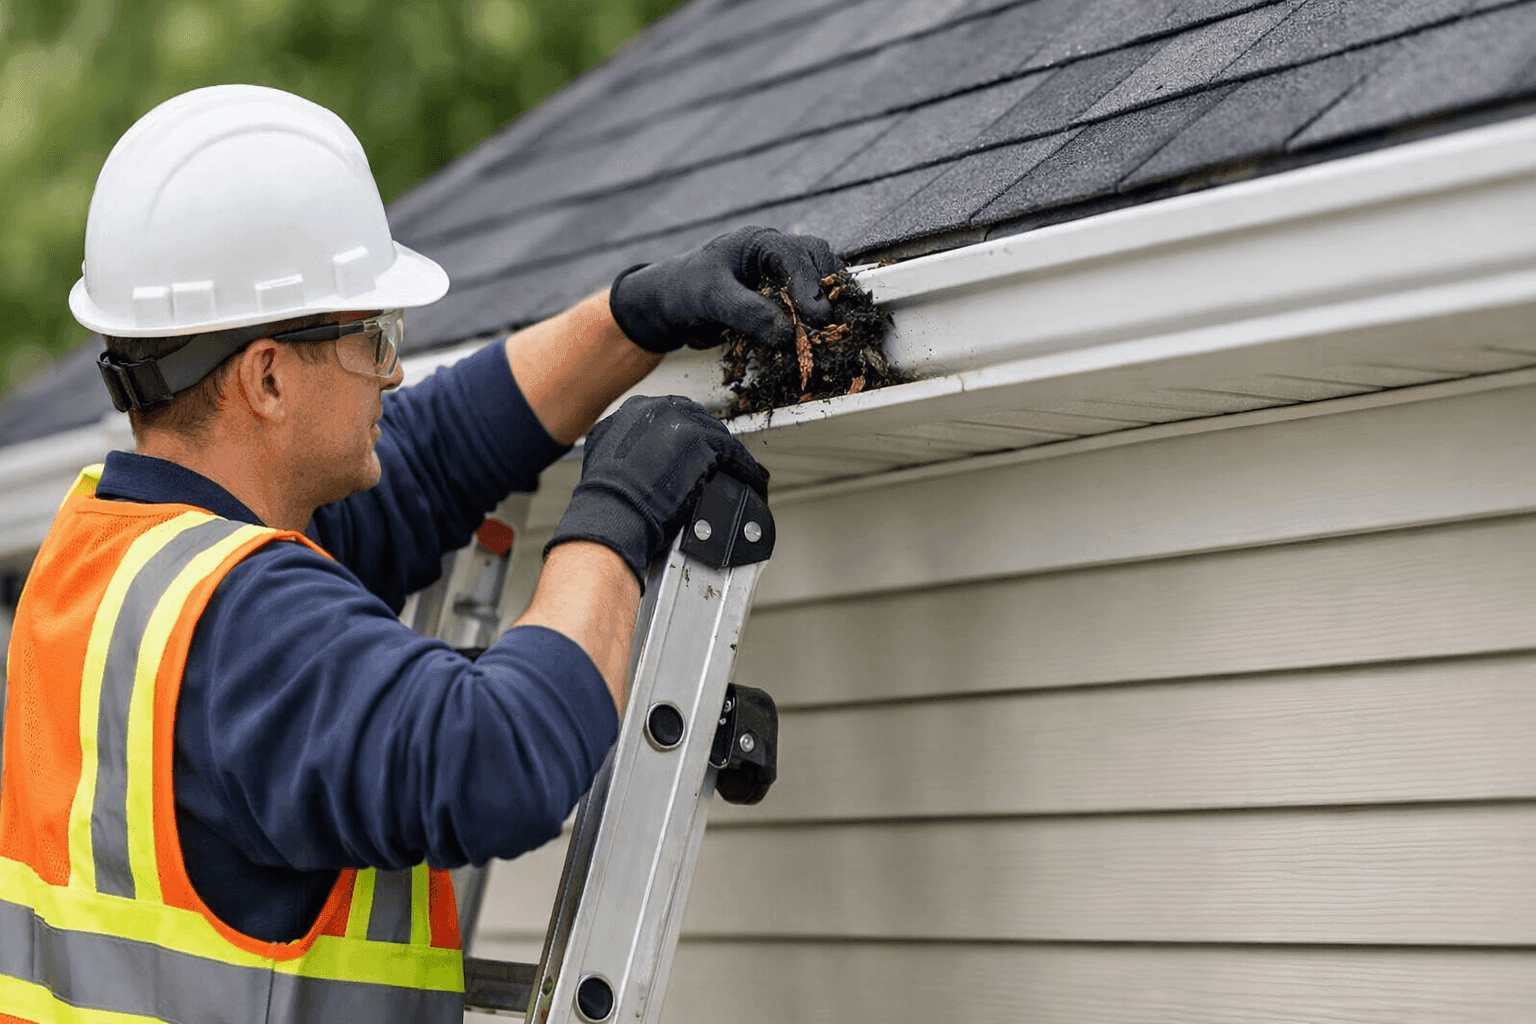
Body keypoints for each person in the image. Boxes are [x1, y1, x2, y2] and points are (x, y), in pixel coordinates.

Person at [0, 85, 838, 1023]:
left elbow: (435, 453)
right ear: (267, 377)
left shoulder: (113, 560)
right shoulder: (243, 628)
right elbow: (500, 762)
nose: (394, 369)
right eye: (372, 336)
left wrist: (637, 313)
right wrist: (614, 514)